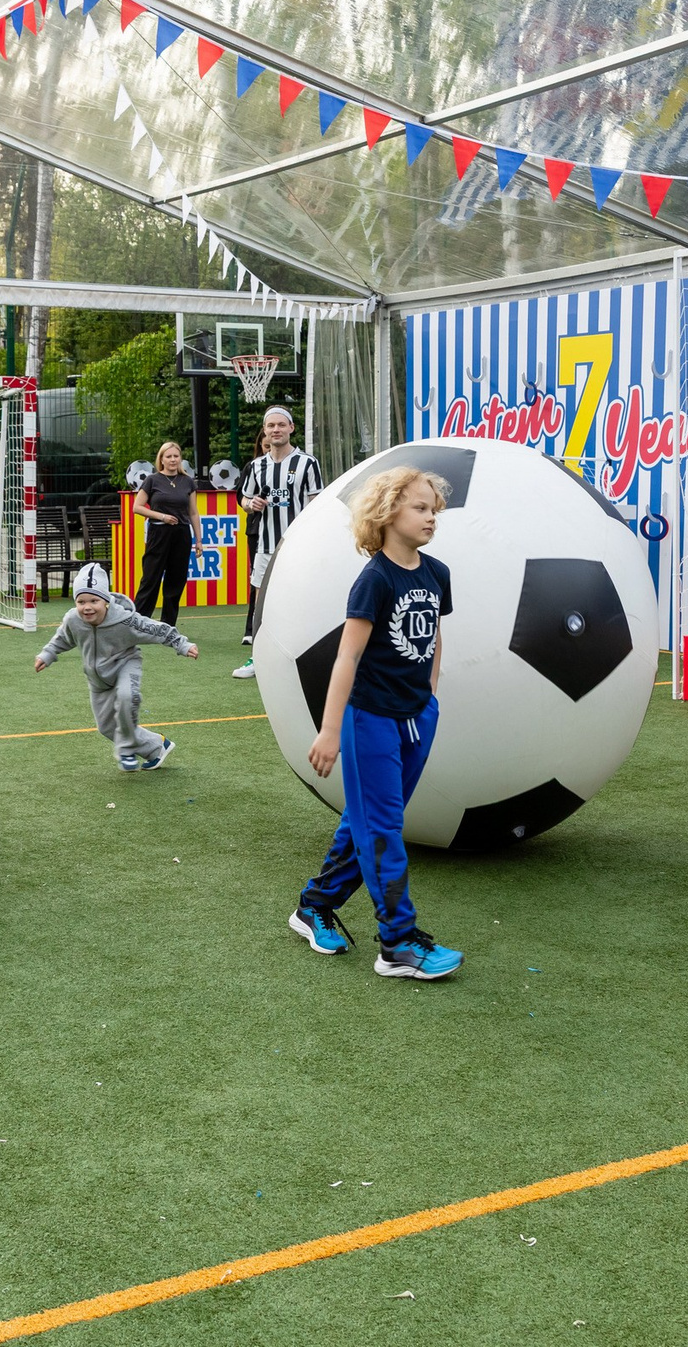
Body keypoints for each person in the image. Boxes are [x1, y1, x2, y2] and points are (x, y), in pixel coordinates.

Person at [286, 465, 464, 981]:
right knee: (382, 828)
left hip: (416, 719)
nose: (431, 518)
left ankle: (314, 905)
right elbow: (346, 658)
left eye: (434, 509)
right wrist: (330, 729)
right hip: (370, 722)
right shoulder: (374, 580)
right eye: (420, 508)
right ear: (388, 513)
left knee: (365, 821)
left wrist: (430, 696)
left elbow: (432, 638)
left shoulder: (437, 574)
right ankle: (398, 944)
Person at [34, 563, 197, 770]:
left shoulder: (125, 621)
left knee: (127, 697)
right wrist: (47, 654)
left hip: (125, 665)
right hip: (97, 679)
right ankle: (156, 747)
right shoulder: (73, 619)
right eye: (81, 601)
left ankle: (126, 749)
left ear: (106, 601)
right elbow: (62, 639)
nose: (87, 607)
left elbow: (156, 629)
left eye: (94, 600)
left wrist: (182, 644)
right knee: (106, 727)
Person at [233, 407, 322, 679]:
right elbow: (244, 500)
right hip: (265, 545)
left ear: (291, 428)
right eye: (271, 425)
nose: (275, 430)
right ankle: (259, 658)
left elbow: (316, 503)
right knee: (262, 603)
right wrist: (252, 504)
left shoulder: (308, 463)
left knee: (301, 600)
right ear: (265, 431)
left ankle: (303, 657)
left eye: (281, 425)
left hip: (298, 547)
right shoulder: (257, 466)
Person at [132, 442, 198, 625]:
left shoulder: (188, 482)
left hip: (182, 534)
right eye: (168, 456)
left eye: (176, 456)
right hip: (158, 532)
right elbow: (137, 507)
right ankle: (138, 621)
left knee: (176, 580)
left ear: (180, 459)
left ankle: (168, 624)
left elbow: (193, 512)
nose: (172, 460)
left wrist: (199, 541)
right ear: (161, 459)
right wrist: (162, 516)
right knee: (150, 578)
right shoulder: (152, 480)